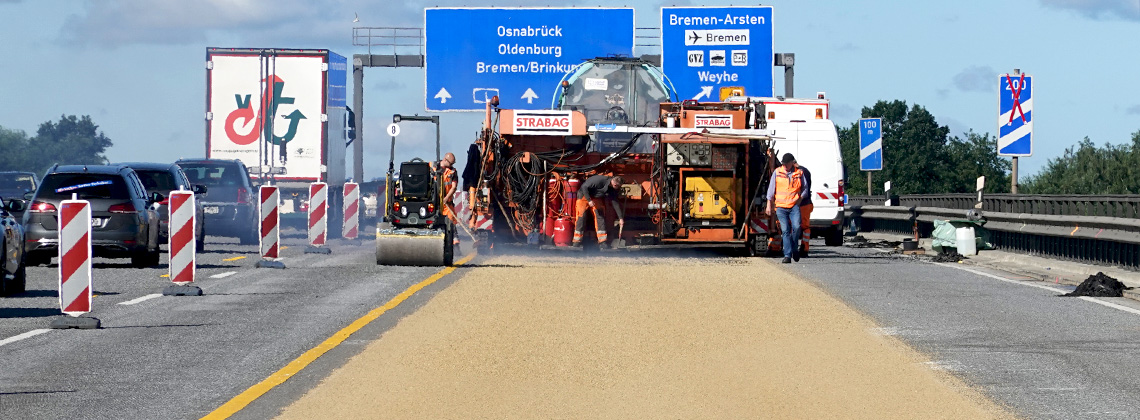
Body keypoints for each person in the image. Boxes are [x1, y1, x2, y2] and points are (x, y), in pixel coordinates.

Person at [765, 153, 806, 263]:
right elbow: (771, 190)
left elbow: (805, 188)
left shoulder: (799, 173)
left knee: (797, 227)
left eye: (786, 164)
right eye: (783, 164)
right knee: (785, 230)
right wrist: (769, 204)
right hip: (781, 207)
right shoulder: (777, 172)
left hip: (794, 206)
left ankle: (794, 248)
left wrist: (800, 199)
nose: (785, 166)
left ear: (792, 163)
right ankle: (787, 255)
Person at [573, 174, 625, 249]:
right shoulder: (599, 180)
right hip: (584, 196)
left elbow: (615, 202)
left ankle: (602, 242)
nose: (618, 188)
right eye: (618, 186)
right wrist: (589, 200)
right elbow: (584, 187)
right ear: (615, 184)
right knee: (581, 217)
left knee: (600, 217)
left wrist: (620, 218)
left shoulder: (612, 189)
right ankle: (576, 242)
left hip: (596, 198)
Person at [438, 152, 460, 246]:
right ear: (445, 160)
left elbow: (454, 187)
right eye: (450, 164)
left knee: (451, 223)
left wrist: (446, 198)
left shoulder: (453, 172)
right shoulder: (433, 167)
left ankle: (455, 245)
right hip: (435, 203)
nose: (451, 166)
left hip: (447, 204)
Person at [798, 163, 813, 256]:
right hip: (806, 204)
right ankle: (804, 248)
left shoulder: (798, 172)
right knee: (805, 227)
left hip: (801, 203)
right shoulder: (805, 171)